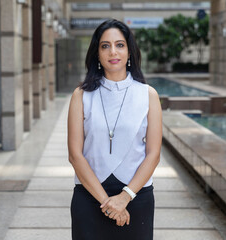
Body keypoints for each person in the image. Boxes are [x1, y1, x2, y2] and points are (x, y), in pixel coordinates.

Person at [67, 19, 162, 240]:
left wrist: (124, 197)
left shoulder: (148, 95)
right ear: (97, 53)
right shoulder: (80, 95)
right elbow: (75, 154)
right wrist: (108, 203)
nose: (113, 52)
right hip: (89, 197)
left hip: (136, 197)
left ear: (129, 52)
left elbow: (153, 154)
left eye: (120, 45)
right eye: (105, 46)